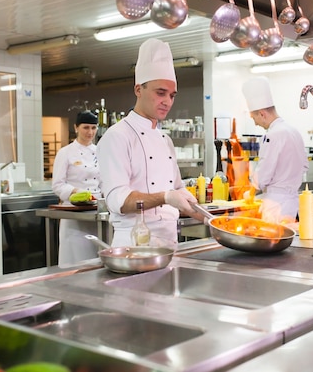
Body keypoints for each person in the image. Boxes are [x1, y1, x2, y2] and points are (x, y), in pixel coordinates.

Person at [97, 38, 201, 248]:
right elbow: (119, 200)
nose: (168, 102)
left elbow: (180, 194)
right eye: (160, 93)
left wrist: (213, 220)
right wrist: (165, 197)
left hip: (170, 243)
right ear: (138, 89)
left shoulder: (165, 140)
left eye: (172, 95)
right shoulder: (117, 136)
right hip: (134, 246)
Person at [242, 76, 308, 223]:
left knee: (273, 241)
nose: (256, 124)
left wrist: (251, 191)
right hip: (292, 203)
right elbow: (304, 165)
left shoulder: (272, 135)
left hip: (275, 205)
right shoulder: (294, 131)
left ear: (262, 114)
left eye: (254, 118)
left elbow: (264, 172)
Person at [52, 110, 101, 265]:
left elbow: (104, 181)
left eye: (93, 128)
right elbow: (58, 185)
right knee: (76, 260)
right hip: (73, 214)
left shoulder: (100, 152)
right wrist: (77, 192)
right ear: (76, 128)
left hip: (96, 212)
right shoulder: (65, 153)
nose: (90, 132)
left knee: (96, 259)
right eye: (86, 128)